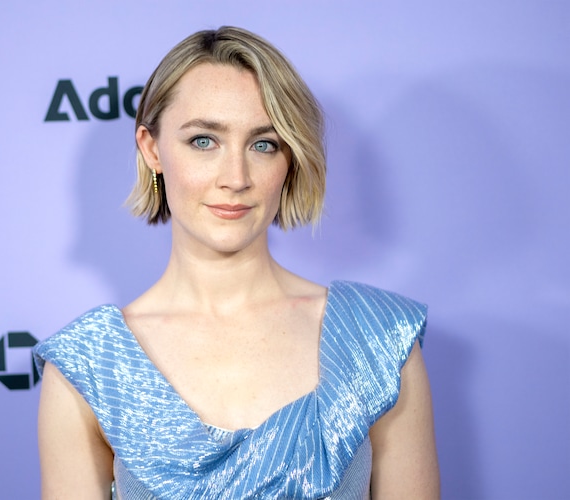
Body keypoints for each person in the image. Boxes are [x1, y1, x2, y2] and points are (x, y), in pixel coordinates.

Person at [34, 26, 439, 499]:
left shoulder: (378, 339)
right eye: (204, 140)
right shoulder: (88, 366)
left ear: (290, 158)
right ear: (151, 149)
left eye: (263, 144)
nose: (236, 177)